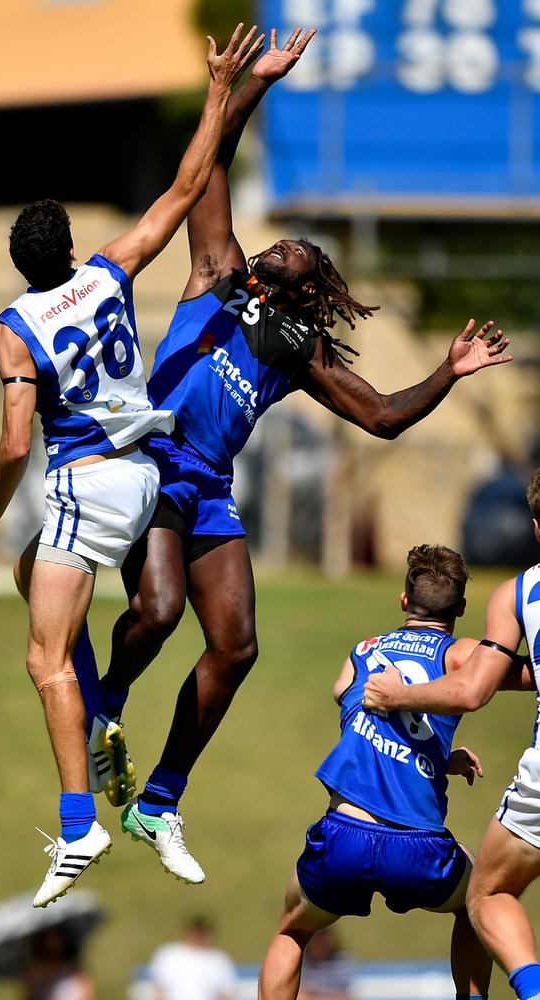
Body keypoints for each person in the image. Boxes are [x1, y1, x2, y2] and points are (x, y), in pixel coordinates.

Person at [75, 28, 514, 885]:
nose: (277, 246)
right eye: (276, 246)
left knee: (236, 647)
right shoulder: (216, 270)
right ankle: (106, 705)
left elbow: (384, 416)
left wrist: (449, 372)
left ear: (309, 287)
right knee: (160, 614)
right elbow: (214, 166)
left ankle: (159, 800)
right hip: (153, 467)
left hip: (207, 491)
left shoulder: (297, 351)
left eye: (294, 251)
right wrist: (250, 87)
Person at [0, 23, 264, 909]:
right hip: (142, 477)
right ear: (69, 245)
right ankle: (98, 698)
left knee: (43, 662)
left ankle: (78, 819)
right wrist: (216, 91)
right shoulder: (110, 270)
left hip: (89, 485)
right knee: (32, 574)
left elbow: (17, 441)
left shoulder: (15, 326)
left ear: (19, 265)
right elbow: (187, 185)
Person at [258, 543, 533, 1000]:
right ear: (461, 607)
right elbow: (527, 673)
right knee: (481, 900)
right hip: (417, 847)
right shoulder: (460, 655)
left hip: (344, 833)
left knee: (292, 931)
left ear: (404, 600)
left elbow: (348, 703)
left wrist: (436, 755)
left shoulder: (362, 652)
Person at [363, 470, 540, 1000]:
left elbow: (470, 693)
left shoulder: (521, 592)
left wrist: (397, 697)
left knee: (487, 892)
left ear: (535, 526)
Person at [148, 915, 237, 1000]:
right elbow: (159, 990)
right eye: (195, 933)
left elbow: (226, 994)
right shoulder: (169, 955)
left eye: (201, 933)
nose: (198, 937)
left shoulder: (219, 960)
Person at [297, 928, 353, 1000]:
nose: (319, 945)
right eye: (316, 941)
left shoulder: (341, 961)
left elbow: (342, 992)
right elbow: (300, 990)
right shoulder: (301, 961)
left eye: (322, 941)